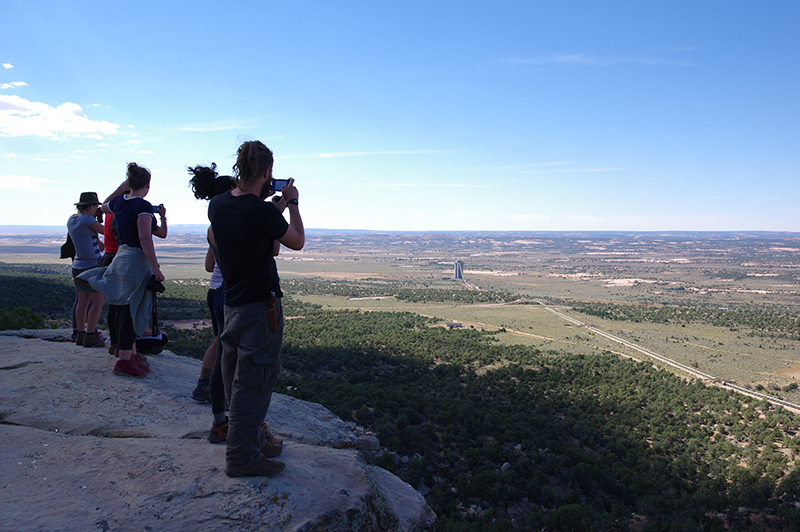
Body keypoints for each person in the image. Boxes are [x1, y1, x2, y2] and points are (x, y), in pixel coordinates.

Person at [208, 141, 304, 477]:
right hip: (259, 310)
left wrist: (272, 203)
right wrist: (291, 204)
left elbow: (249, 218)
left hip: (231, 305)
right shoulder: (262, 211)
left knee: (237, 379)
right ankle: (242, 458)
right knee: (255, 383)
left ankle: (252, 441)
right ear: (267, 172)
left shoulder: (217, 206)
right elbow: (296, 241)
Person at [77, 163, 167, 378]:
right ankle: (124, 360)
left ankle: (131, 353)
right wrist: (155, 267)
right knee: (130, 310)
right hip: (135, 260)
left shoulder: (119, 203)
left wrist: (121, 188)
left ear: (130, 183)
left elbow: (104, 205)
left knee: (122, 307)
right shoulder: (143, 207)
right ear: (147, 184)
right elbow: (145, 237)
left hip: (121, 257)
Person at [66, 192, 106, 348]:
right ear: (90, 206)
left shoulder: (72, 219)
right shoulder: (88, 220)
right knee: (98, 301)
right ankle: (91, 335)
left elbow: (86, 236)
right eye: (96, 206)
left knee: (82, 302)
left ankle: (80, 334)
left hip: (77, 265)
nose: (97, 209)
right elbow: (108, 232)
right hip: (93, 265)